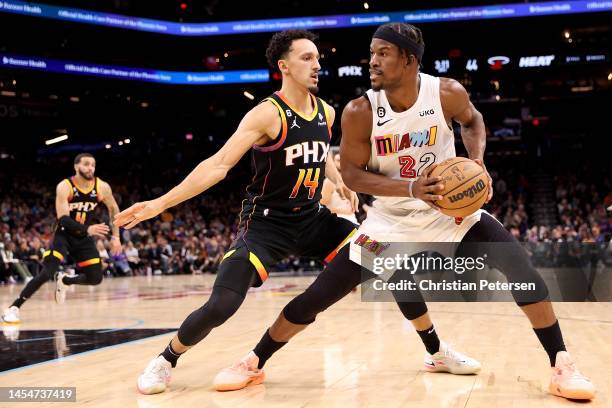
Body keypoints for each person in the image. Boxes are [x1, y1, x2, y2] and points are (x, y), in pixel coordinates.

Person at [115, 29, 478, 396]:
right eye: (307, 58)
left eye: (318, 58)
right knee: (222, 304)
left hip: (313, 219)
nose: (317, 64)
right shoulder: (266, 115)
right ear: (284, 66)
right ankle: (165, 359)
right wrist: (159, 204)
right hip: (265, 225)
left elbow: (322, 154)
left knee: (390, 263)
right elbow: (218, 165)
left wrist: (340, 183)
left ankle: (436, 352)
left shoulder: (327, 112)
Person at [335, 23, 592, 401]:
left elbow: (472, 120)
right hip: (388, 218)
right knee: (350, 286)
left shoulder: (444, 92)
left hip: (443, 208)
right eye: (371, 53)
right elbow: (352, 174)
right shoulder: (362, 111)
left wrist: (478, 162)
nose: (372, 61)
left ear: (409, 60)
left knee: (520, 268)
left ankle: (562, 363)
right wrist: (406, 188)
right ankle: (256, 358)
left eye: (383, 53)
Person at [1, 153, 122, 324]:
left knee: (96, 278)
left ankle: (65, 280)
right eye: (86, 164)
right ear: (76, 166)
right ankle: (13, 308)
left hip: (84, 237)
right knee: (47, 273)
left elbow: (114, 210)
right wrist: (89, 228)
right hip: (63, 234)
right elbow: (63, 218)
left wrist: (116, 237)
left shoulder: (102, 187)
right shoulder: (65, 186)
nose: (90, 168)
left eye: (93, 165)